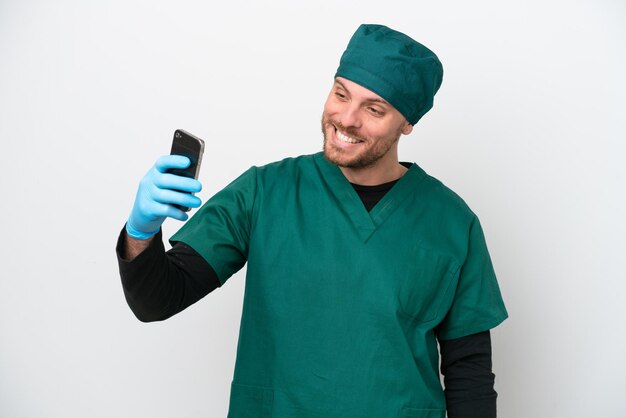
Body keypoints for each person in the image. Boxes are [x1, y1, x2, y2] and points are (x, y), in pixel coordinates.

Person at [116, 24, 508, 418]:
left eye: (374, 109)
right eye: (341, 93)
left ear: (407, 123)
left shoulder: (452, 223)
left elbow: (469, 373)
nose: (347, 118)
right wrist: (142, 231)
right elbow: (157, 300)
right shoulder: (264, 192)